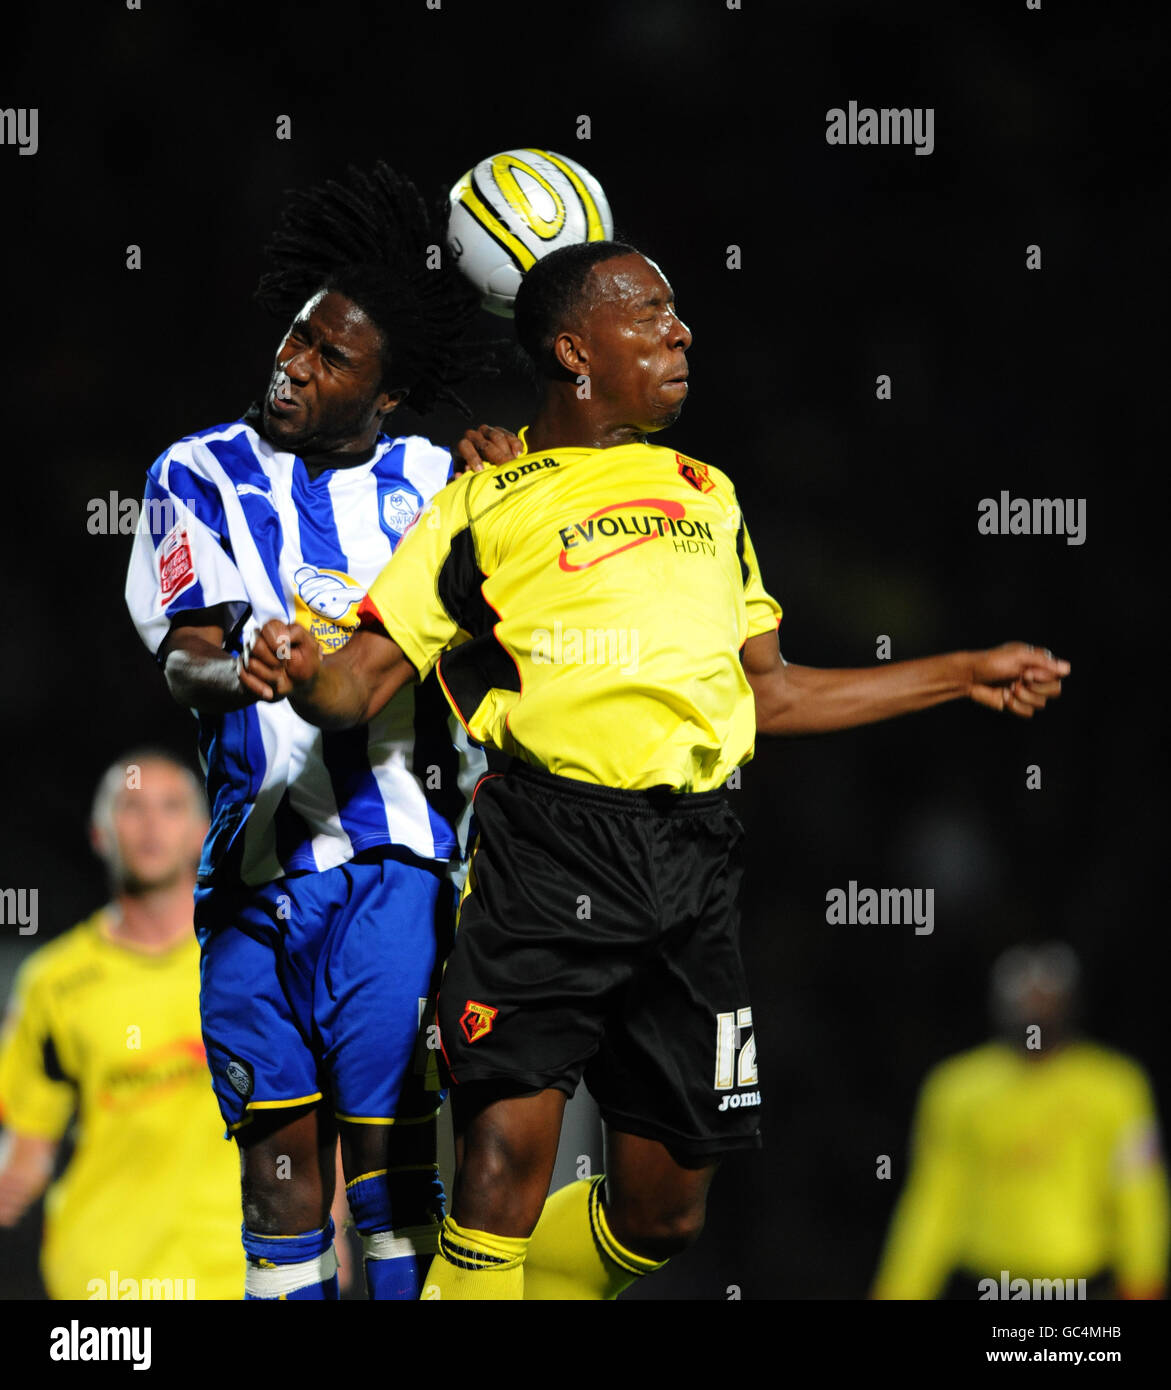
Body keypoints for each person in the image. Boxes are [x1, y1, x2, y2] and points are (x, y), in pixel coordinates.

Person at [240, 239, 1070, 1300]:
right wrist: (304, 669)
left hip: (693, 863)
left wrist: (961, 673)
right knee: (498, 1167)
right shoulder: (484, 502)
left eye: (676, 312)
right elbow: (359, 681)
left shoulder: (705, 493)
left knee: (664, 1211)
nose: (681, 331)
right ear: (576, 350)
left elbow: (771, 695)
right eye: (651, 312)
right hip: (545, 847)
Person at [125, 163, 511, 1301]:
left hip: (394, 868)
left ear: (386, 394)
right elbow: (183, 646)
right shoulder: (193, 473)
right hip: (251, 877)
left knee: (393, 1178)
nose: (294, 363)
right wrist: (229, 670)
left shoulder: (440, 484)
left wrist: (518, 486)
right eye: (299, 336)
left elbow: (507, 646)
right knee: (279, 1179)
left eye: (333, 358)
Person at [0, 751, 241, 1299]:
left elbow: (314, 1107)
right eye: (131, 807)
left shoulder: (251, 961)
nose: (151, 824)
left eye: (170, 807)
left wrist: (330, 1224)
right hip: (104, 1281)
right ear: (99, 833)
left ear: (203, 833)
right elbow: (28, 1142)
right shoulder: (53, 983)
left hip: (240, 1272)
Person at [872, 943, 1169, 1300]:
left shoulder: (1115, 1086)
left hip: (1081, 1284)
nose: (1035, 1007)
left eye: (1047, 997)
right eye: (1024, 997)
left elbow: (1139, 1192)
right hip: (983, 1284)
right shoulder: (957, 1089)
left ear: (1071, 1002)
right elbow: (932, 1199)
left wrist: (1144, 1278)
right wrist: (901, 1289)